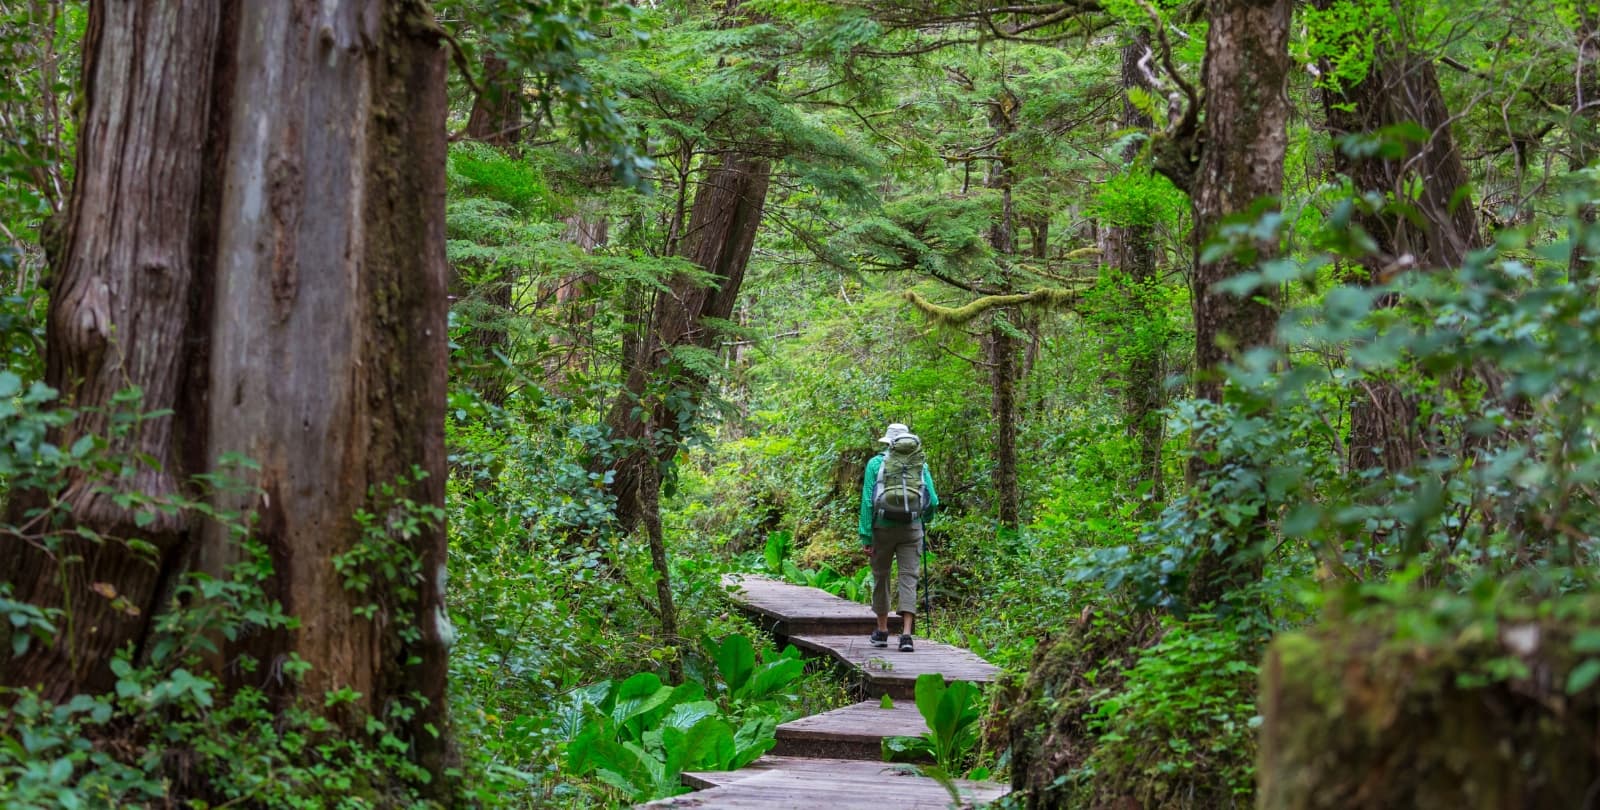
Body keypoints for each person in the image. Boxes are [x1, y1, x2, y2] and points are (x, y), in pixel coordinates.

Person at [859, 422, 938, 652]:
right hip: (911, 528)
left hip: (882, 529)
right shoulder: (919, 464)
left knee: (881, 576)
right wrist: (925, 519)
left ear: (889, 442)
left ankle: (882, 631)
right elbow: (932, 500)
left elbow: (866, 501)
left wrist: (866, 535)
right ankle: (906, 635)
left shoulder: (875, 463)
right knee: (908, 577)